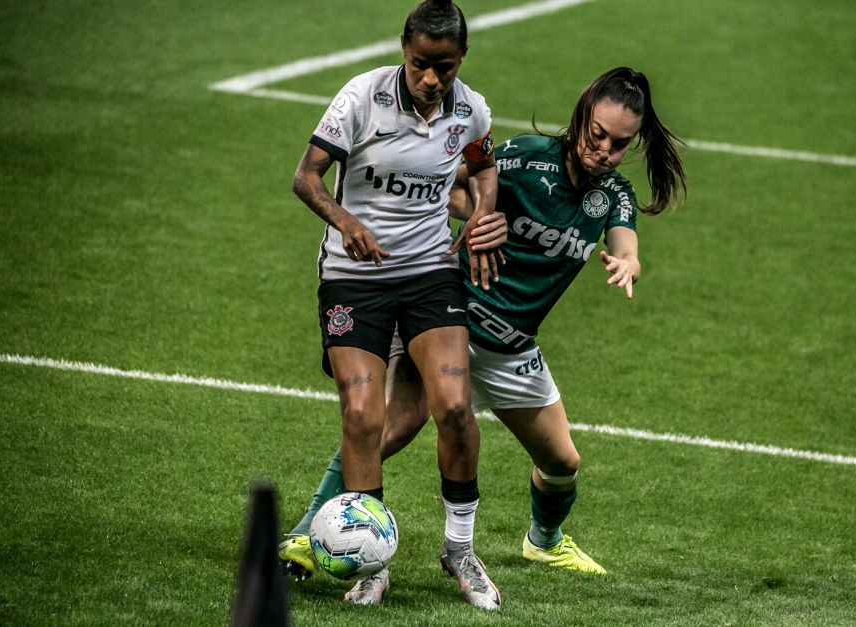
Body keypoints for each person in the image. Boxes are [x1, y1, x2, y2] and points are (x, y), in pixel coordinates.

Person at [283, 66, 687, 597]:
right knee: (391, 426)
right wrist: (478, 212)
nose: (604, 151)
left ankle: (543, 540)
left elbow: (625, 240)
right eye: (597, 135)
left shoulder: (614, 193)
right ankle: (306, 536)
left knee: (563, 463)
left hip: (511, 347)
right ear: (582, 115)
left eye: (619, 144)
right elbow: (451, 186)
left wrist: (629, 263)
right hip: (452, 317)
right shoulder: (524, 156)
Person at [289, 0, 502, 611]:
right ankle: (372, 563)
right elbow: (306, 177)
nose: (431, 79)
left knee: (456, 406)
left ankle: (459, 550)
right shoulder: (361, 96)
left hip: (431, 272)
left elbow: (484, 170)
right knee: (361, 415)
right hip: (354, 274)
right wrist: (343, 219)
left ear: (461, 58)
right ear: (403, 50)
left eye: (445, 66)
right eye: (419, 64)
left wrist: (485, 211)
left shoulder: (472, 109)